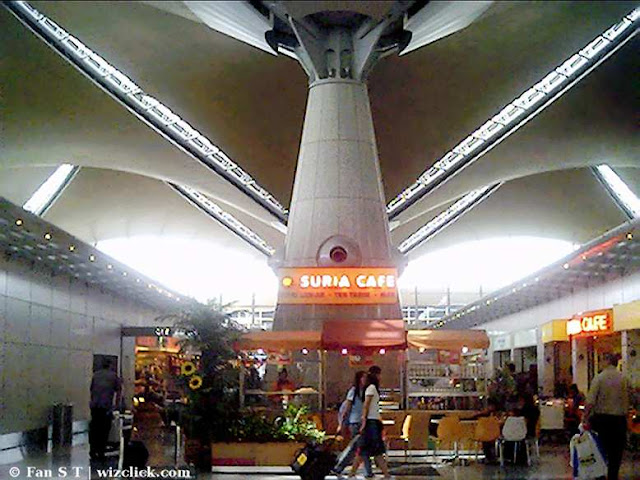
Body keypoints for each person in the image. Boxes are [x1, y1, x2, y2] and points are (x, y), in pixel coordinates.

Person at [583, 353, 631, 480]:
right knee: (616, 455)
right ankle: (613, 476)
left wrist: (585, 418)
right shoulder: (624, 379)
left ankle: (600, 476)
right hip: (620, 421)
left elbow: (590, 402)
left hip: (602, 421)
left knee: (600, 453)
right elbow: (634, 398)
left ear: (607, 361)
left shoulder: (599, 378)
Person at [351, 366, 391, 480]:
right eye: (379, 375)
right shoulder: (372, 388)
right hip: (371, 422)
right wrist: (364, 421)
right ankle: (386, 475)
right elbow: (366, 405)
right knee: (376, 450)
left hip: (371, 421)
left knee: (363, 450)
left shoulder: (369, 388)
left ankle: (351, 474)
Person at [333, 371, 373, 477]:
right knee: (357, 446)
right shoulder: (354, 391)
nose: (365, 380)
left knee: (360, 447)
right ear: (359, 379)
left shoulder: (366, 391)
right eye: (363, 378)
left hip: (363, 422)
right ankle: (340, 466)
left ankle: (367, 471)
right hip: (355, 422)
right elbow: (347, 407)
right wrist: (341, 423)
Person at [89, 359, 122, 460]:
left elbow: (91, 389)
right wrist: (116, 406)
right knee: (104, 429)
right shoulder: (113, 376)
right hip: (106, 407)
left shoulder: (96, 375)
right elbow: (119, 391)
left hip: (95, 406)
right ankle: (101, 450)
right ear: (110, 365)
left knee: (94, 428)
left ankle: (93, 449)